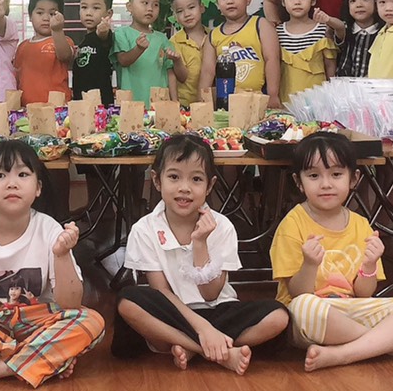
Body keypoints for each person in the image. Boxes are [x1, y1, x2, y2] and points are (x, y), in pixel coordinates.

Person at [0, 140, 105, 388]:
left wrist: (62, 255)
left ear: (38, 188)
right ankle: (44, 359)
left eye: (23, 174)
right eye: (0, 175)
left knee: (91, 321)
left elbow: (70, 303)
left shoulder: (49, 229)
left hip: (37, 321)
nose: (12, 183)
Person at [113, 135, 288, 373]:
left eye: (196, 179)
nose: (184, 188)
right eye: (174, 177)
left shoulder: (222, 226)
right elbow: (161, 291)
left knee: (279, 316)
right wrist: (203, 330)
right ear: (156, 180)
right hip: (173, 313)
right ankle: (213, 351)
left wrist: (200, 243)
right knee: (127, 301)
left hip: (218, 310)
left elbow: (210, 294)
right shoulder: (144, 229)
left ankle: (190, 346)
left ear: (210, 185)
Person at [270, 132, 393, 371]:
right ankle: (387, 345)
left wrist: (370, 265)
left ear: (354, 179)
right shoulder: (292, 224)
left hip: (350, 311)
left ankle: (344, 353)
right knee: (305, 307)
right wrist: (309, 264)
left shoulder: (361, 225)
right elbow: (297, 293)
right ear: (299, 182)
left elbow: (364, 293)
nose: (326, 184)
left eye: (336, 174)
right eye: (313, 176)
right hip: (309, 316)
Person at [209, 0, 280, 108]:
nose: (230, 1)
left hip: (258, 101)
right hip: (225, 103)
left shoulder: (261, 25)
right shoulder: (213, 36)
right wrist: (203, 101)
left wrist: (273, 95)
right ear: (217, 2)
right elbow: (208, 71)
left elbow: (272, 59)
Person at [276, 0, 337, 104]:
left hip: (318, 101)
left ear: (313, 0)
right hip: (286, 100)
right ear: (283, 1)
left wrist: (332, 96)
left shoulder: (322, 29)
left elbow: (330, 65)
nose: (297, 2)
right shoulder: (277, 32)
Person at [114, 0, 177, 104]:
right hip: (131, 104)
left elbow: (170, 71)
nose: (150, 8)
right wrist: (139, 49)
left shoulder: (162, 38)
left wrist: (175, 100)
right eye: (145, 3)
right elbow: (123, 60)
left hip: (160, 104)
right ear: (129, 7)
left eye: (155, 5)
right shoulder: (121, 33)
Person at [14, 0, 75, 105]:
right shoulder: (22, 46)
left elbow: (65, 56)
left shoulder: (63, 40)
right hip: (28, 108)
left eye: (52, 14)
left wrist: (57, 30)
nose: (46, 18)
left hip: (58, 108)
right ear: (30, 16)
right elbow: (17, 77)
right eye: (40, 13)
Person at [169, 0, 216, 107]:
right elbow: (182, 77)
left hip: (212, 103)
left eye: (191, 7)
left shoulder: (214, 37)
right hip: (186, 106)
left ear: (202, 7)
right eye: (180, 11)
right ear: (175, 16)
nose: (187, 14)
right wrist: (177, 61)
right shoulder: (174, 42)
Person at [72, 0, 116, 106]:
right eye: (84, 7)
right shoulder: (84, 41)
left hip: (100, 104)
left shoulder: (104, 36)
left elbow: (103, 36)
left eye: (95, 8)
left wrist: (103, 31)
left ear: (108, 13)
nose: (89, 13)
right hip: (80, 103)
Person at [334, 0, 382, 78]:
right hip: (345, 84)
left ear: (377, 2)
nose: (359, 5)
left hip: (373, 84)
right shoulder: (346, 30)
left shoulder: (382, 32)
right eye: (353, 1)